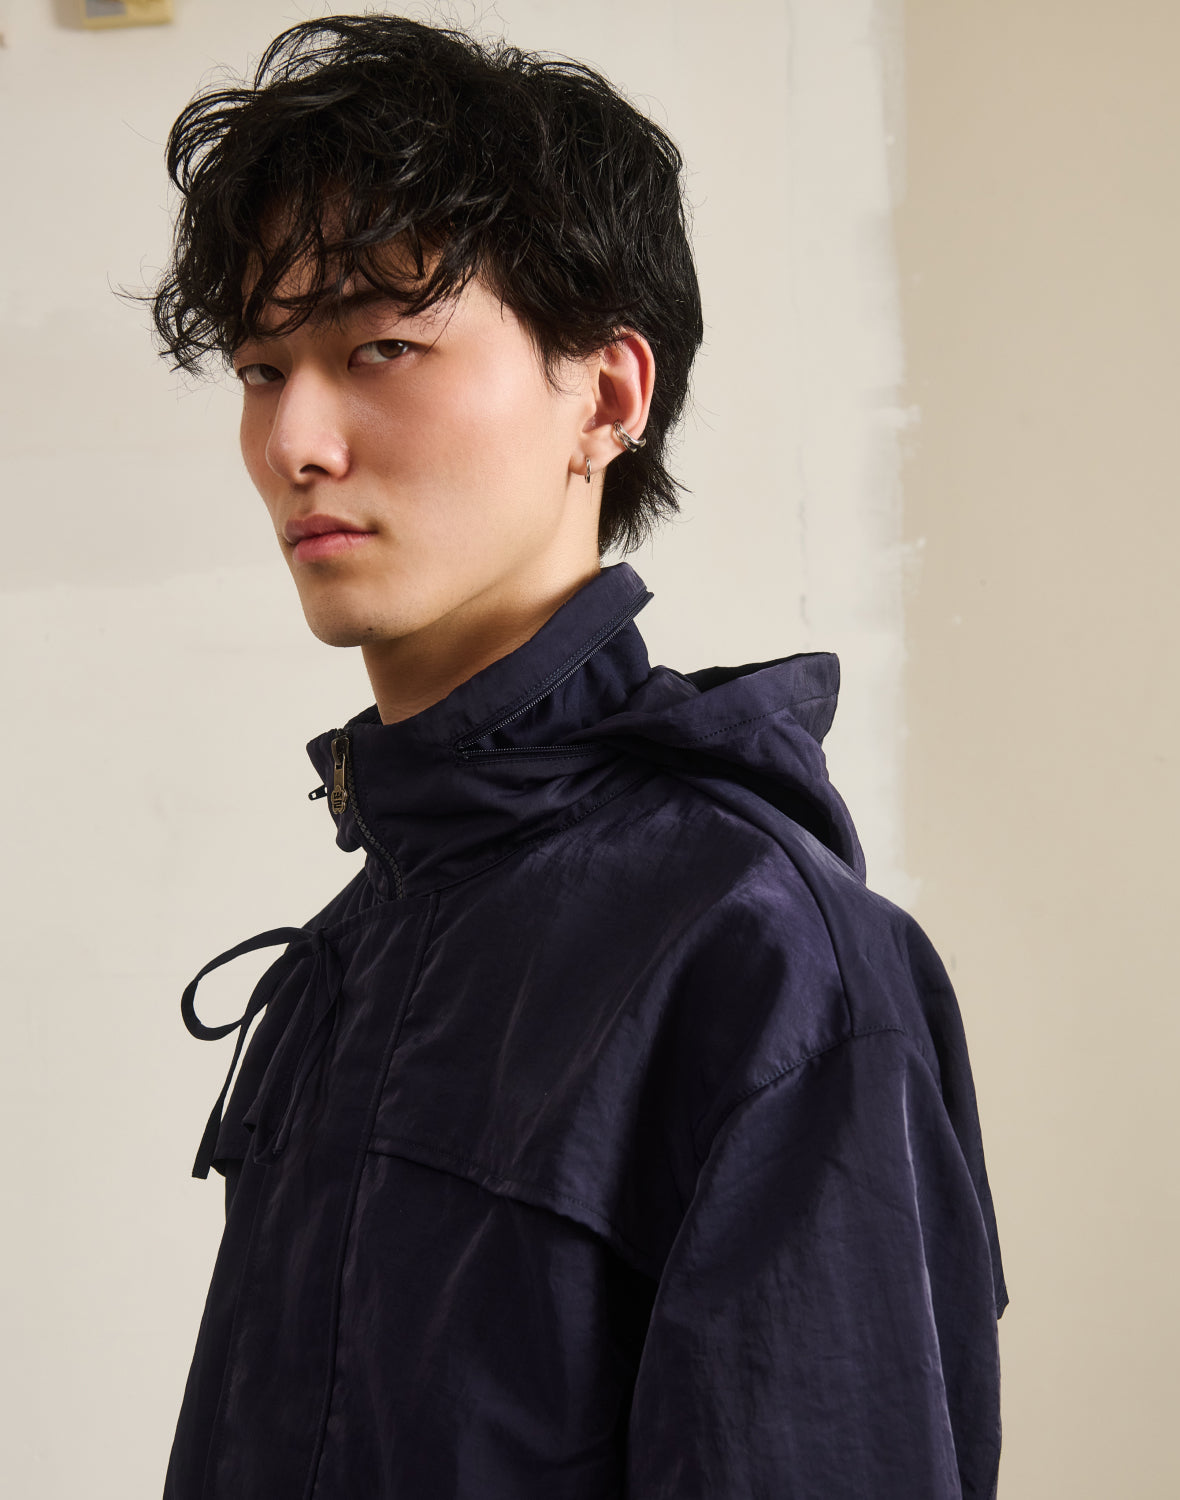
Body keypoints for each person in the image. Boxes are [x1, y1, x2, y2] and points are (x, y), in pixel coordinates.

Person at [157, 15, 1006, 1499]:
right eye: (258, 365)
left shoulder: (759, 956)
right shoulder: (367, 937)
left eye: (379, 347)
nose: (296, 438)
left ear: (607, 395)